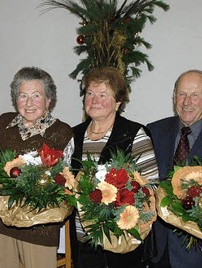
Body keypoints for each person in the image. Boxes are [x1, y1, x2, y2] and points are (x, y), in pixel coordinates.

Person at [69, 66, 158, 268]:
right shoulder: (73, 135)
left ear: (117, 103)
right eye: (90, 93)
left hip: (121, 240)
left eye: (103, 94)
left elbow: (152, 186)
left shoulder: (134, 134)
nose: (94, 100)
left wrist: (120, 201)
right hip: (83, 241)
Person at [0, 66, 74, 268]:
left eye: (36, 96)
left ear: (49, 100)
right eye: (23, 96)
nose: (29, 103)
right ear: (15, 99)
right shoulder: (4, 122)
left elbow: (65, 183)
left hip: (39, 225)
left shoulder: (62, 133)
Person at [147, 70, 202, 268]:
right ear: (174, 97)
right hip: (157, 251)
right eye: (182, 94)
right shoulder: (153, 132)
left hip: (199, 255)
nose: (187, 102)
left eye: (195, 95)